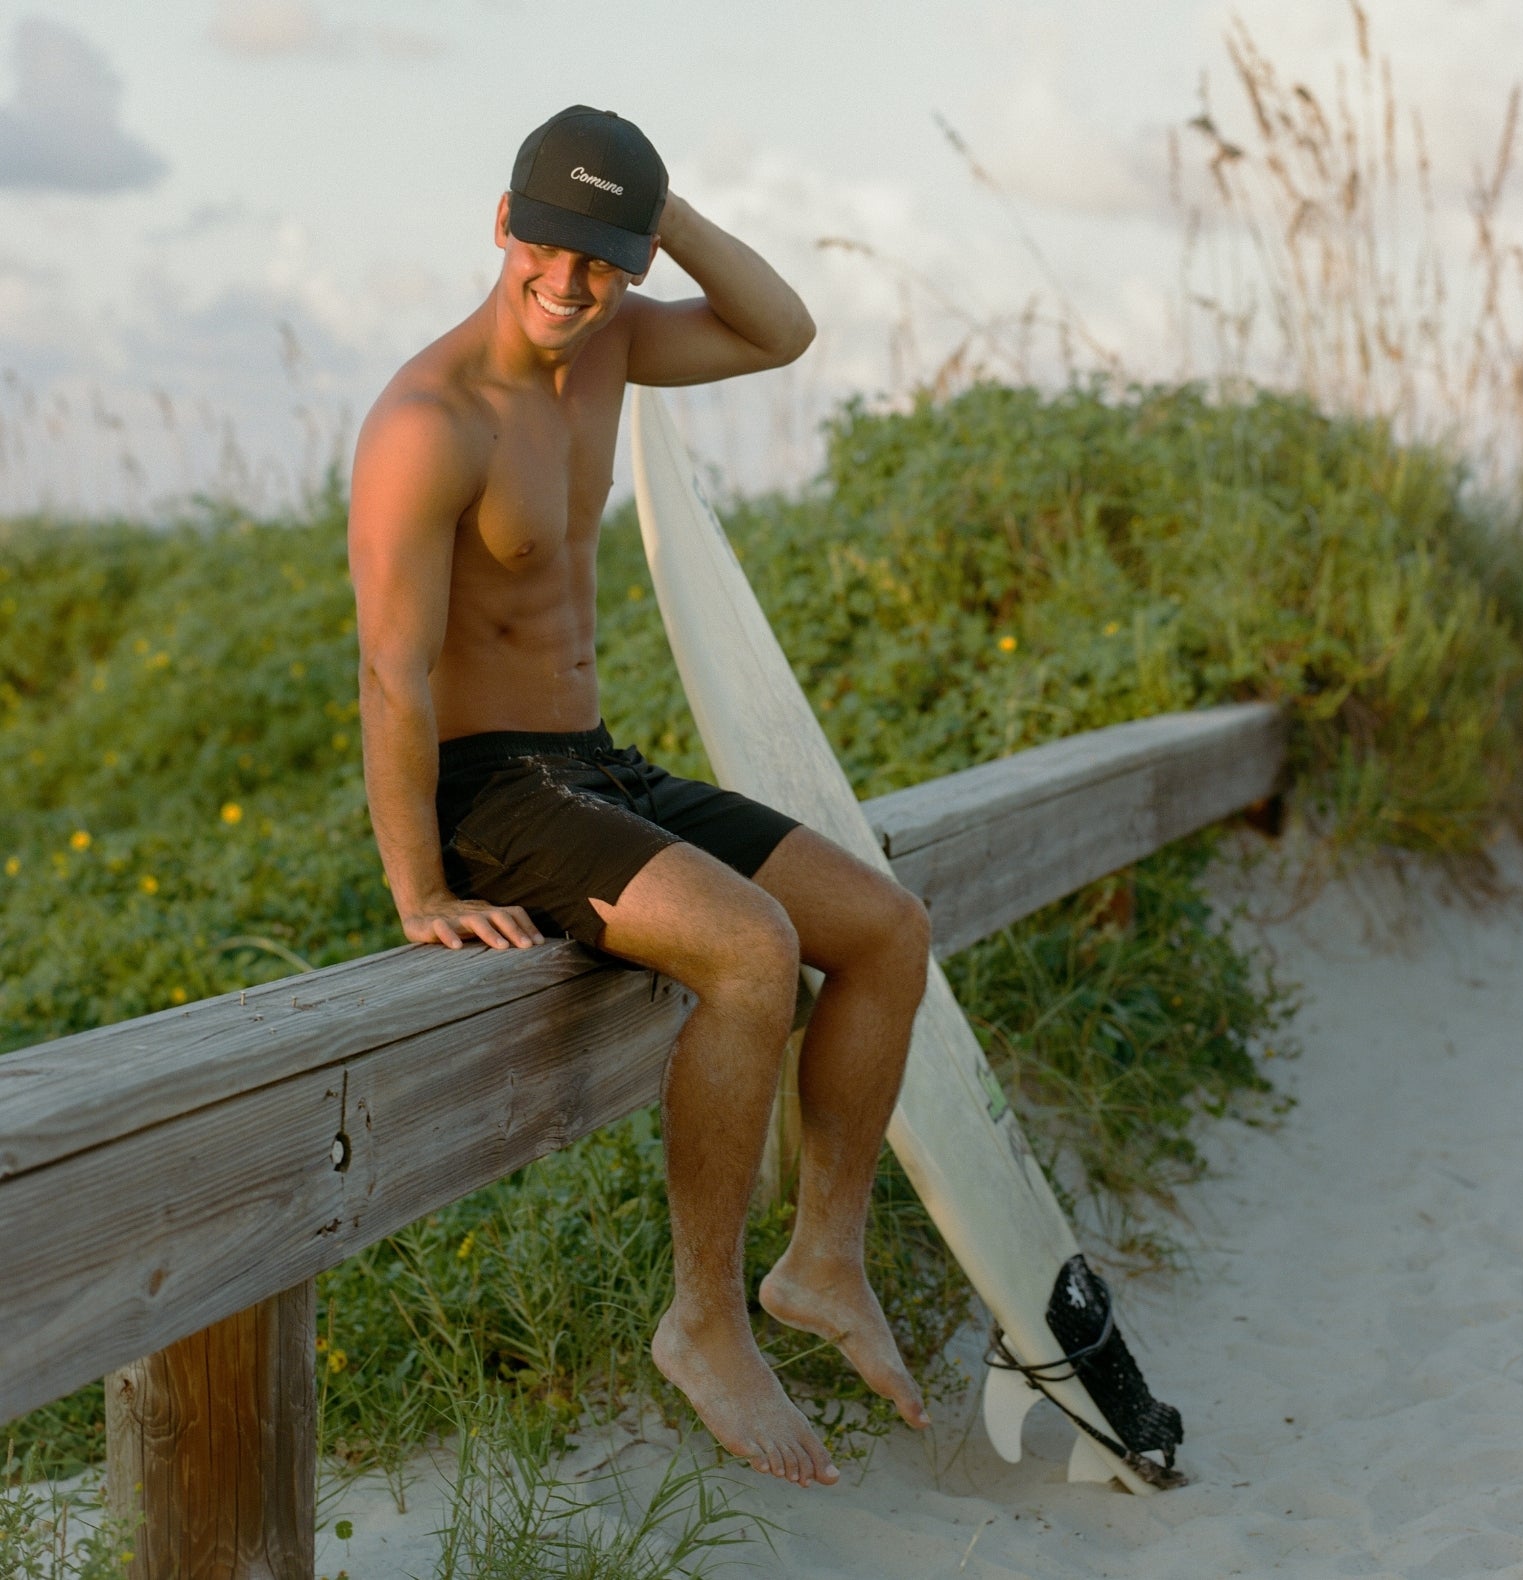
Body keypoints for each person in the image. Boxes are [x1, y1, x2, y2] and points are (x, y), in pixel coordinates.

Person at [348, 105, 932, 1490]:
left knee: (887, 930)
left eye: (599, 260)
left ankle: (823, 1264)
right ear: (504, 223)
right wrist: (420, 886)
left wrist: (656, 221)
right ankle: (703, 1320)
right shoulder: (427, 422)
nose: (567, 284)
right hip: (493, 793)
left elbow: (779, 329)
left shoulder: (610, 344)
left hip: (594, 759)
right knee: (749, 951)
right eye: (546, 245)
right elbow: (392, 678)